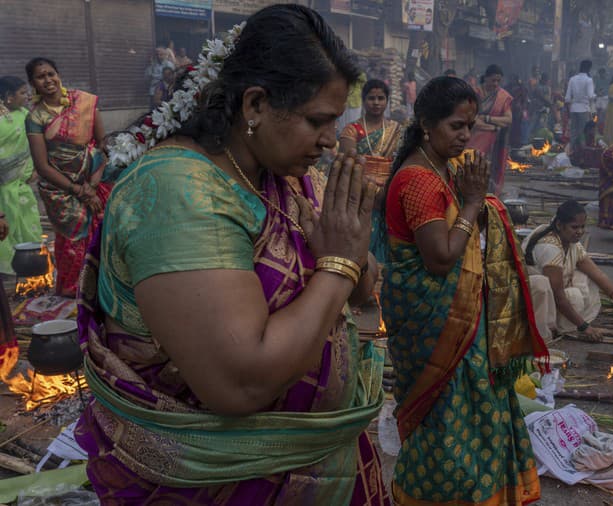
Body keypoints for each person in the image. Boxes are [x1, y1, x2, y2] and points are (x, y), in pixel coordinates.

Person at [73, 6, 390, 503]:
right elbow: (238, 384)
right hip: (217, 481)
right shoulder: (179, 192)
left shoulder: (285, 175)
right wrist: (339, 267)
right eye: (317, 121)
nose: (330, 140)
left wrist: (351, 261)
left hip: (313, 464)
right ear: (256, 104)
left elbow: (367, 286)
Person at [381, 76, 546, 505]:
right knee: (445, 418)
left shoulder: (441, 168)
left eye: (470, 126)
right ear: (425, 124)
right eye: (456, 126)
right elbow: (440, 258)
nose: (466, 136)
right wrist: (473, 202)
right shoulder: (418, 179)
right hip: (434, 322)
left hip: (460, 318)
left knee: (476, 408)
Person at [25, 58, 109, 297]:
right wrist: (80, 191)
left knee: (102, 233)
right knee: (72, 243)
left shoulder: (84, 101)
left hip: (94, 178)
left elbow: (102, 144)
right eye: (41, 77)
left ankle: (102, 289)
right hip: (60, 190)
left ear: (58, 74)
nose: (48, 80)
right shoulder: (35, 118)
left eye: (51, 73)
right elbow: (42, 166)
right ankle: (75, 292)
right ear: (33, 83)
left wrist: (92, 184)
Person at [524, 200, 613, 340]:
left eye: (582, 227)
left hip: (557, 294)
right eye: (574, 227)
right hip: (538, 302)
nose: (580, 232)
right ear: (559, 225)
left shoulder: (570, 242)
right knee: (571, 293)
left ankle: (568, 323)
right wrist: (584, 327)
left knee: (586, 276)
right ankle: (556, 326)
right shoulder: (550, 248)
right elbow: (558, 296)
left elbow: (597, 274)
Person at [339, 79, 402, 264]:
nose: (376, 102)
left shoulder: (395, 130)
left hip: (389, 191)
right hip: (360, 190)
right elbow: (347, 162)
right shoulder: (352, 130)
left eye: (381, 98)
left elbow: (400, 161)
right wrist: (368, 186)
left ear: (387, 101)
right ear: (364, 100)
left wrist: (388, 186)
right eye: (371, 98)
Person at [0, 76, 42, 274]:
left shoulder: (25, 114)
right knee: (7, 227)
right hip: (2, 188)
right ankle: (8, 268)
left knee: (28, 220)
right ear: (8, 97)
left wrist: (35, 169)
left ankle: (31, 263)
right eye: (23, 93)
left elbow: (33, 144)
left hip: (21, 184)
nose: (27, 96)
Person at [469, 64, 513, 194]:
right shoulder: (475, 94)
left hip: (496, 143)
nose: (496, 84)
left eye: (499, 81)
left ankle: (492, 198)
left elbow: (508, 120)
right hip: (475, 141)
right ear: (486, 78)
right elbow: (472, 120)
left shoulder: (502, 96)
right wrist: (494, 127)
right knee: (473, 171)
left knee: (493, 173)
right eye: (493, 80)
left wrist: (487, 119)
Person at [565, 60, 596, 149]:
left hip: (573, 109)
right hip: (584, 109)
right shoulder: (589, 80)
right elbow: (590, 96)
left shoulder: (572, 79)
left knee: (573, 133)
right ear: (589, 69)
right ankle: (581, 153)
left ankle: (571, 151)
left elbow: (567, 98)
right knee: (582, 132)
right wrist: (597, 95)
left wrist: (568, 110)